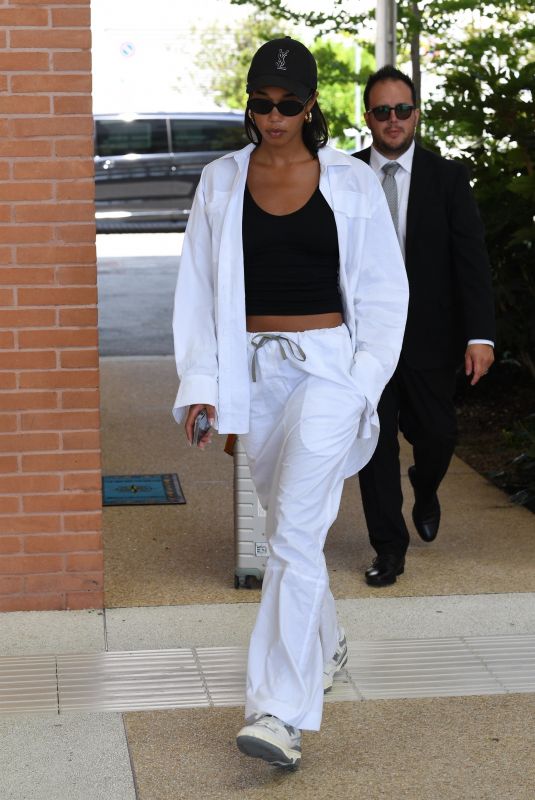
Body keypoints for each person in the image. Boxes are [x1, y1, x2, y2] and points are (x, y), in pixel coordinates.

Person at [172, 38, 408, 769]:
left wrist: (364, 384)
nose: (272, 117)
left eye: (286, 105)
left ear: (311, 107)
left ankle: (279, 710)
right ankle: (326, 640)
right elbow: (198, 292)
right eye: (260, 103)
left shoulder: (350, 182)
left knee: (297, 533)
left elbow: (381, 291)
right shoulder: (220, 181)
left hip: (331, 370)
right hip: (253, 376)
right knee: (288, 532)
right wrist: (202, 386)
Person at [353, 66, 495, 588]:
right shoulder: (343, 175)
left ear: (416, 113)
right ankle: (389, 549)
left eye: (403, 110)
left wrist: (480, 335)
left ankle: (427, 485)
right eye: (382, 111)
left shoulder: (447, 177)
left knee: (438, 435)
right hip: (364, 341)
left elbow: (471, 261)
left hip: (431, 339)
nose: (393, 120)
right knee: (375, 445)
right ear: (367, 116)